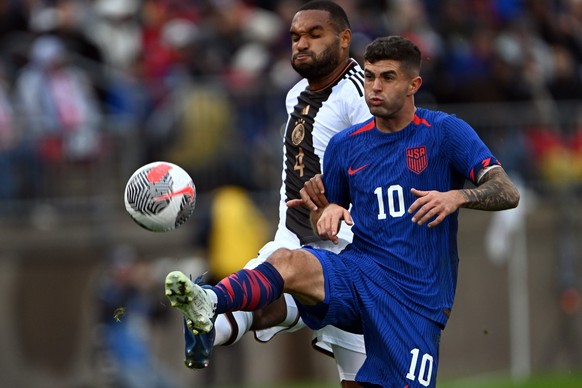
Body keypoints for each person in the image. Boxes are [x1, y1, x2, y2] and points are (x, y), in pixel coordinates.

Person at [166, 34, 521, 386]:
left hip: (415, 301)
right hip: (361, 275)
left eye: (387, 77)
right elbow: (327, 212)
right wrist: (327, 213)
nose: (374, 87)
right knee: (288, 261)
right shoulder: (345, 146)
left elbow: (507, 191)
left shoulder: (444, 132)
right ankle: (210, 300)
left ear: (413, 84)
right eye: (369, 76)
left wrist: (457, 197)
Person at [174, 1, 371, 386]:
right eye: (296, 37)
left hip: (351, 247)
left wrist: (337, 201)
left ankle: (212, 306)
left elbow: (381, 162)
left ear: (344, 39)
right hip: (295, 238)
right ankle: (208, 320)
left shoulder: (359, 92)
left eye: (315, 35)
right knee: (261, 293)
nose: (302, 44)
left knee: (358, 378)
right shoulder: (295, 94)